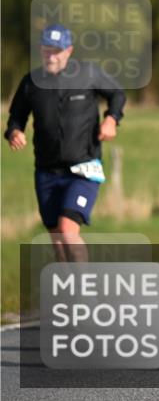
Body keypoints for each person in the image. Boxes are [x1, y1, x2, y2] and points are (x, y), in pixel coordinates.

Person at [4, 24, 125, 261]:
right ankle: (69, 291)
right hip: (47, 171)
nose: (51, 55)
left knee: (68, 231)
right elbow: (16, 117)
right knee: (57, 239)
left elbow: (117, 94)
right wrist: (14, 132)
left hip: (83, 167)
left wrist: (111, 119)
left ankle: (85, 291)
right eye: (47, 49)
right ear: (40, 50)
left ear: (68, 51)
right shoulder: (31, 82)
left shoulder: (88, 74)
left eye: (56, 50)